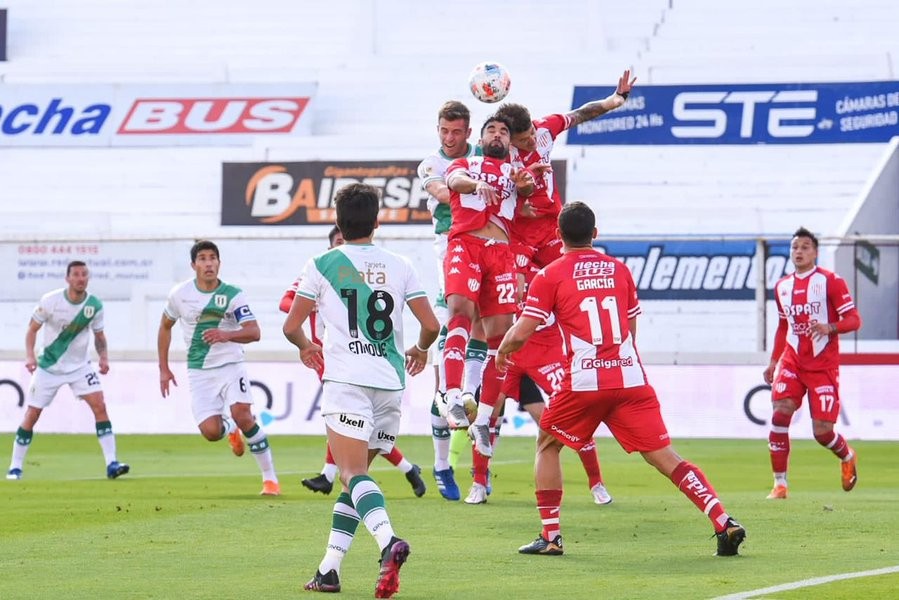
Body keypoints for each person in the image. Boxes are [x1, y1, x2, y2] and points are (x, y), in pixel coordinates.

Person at [497, 202, 746, 557]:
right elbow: (630, 330)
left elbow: (522, 332)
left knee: (548, 445)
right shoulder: (620, 271)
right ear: (595, 234)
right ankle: (723, 520)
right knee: (665, 457)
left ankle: (551, 536)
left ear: (557, 235)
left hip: (584, 381)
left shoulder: (550, 274)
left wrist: (502, 352)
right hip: (630, 377)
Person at [283, 183, 439, 598]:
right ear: (377, 221)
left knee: (351, 474)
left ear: (337, 222)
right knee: (358, 480)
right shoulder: (401, 264)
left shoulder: (322, 263)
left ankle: (389, 542)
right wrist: (421, 351)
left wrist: (306, 346)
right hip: (390, 385)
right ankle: (328, 571)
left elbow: (290, 325)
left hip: (348, 382)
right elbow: (432, 326)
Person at [279, 226, 427, 498]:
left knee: (350, 425)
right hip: (328, 353)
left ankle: (335, 475)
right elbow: (285, 302)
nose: (340, 247)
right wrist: (311, 303)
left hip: (346, 360)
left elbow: (289, 327)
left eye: (341, 241)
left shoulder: (337, 269)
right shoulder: (320, 270)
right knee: (354, 426)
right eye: (335, 243)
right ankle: (397, 469)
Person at [442, 114, 535, 468]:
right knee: (461, 312)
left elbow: (526, 195)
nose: (497, 134)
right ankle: (452, 396)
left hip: (501, 253)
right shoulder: (467, 163)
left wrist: (525, 184)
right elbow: (456, 179)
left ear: (509, 141)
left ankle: (481, 419)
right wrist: (474, 185)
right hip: (466, 244)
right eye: (491, 130)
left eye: (503, 131)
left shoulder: (515, 169)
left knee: (501, 338)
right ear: (480, 139)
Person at [158, 240, 280, 496]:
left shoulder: (233, 295)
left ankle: (270, 480)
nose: (208, 263)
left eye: (212, 257)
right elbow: (165, 327)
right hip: (199, 370)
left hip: (230, 365)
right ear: (194, 265)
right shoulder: (179, 295)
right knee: (211, 432)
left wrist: (226, 335)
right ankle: (230, 430)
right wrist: (164, 368)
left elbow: (254, 332)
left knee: (244, 415)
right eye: (202, 258)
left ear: (219, 263)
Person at [495, 68, 636, 274]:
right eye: (524, 140)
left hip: (552, 226)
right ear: (509, 139)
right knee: (519, 294)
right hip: (518, 231)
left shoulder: (545, 128)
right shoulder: (499, 155)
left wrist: (613, 101)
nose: (532, 141)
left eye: (532, 133)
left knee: (571, 279)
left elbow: (580, 114)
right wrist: (518, 202)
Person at [417, 100, 489, 501]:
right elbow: (443, 192)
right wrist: (476, 185)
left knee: (482, 322)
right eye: (444, 131)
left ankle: (464, 390)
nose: (450, 138)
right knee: (460, 313)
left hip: (486, 243)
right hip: (452, 246)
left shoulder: (482, 157)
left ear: (468, 130)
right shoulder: (431, 163)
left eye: (457, 132)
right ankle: (442, 464)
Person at [762, 227, 862, 499]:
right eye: (795, 247)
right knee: (780, 413)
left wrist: (829, 327)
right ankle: (779, 484)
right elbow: (784, 326)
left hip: (822, 366)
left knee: (822, 432)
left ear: (815, 252)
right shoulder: (782, 286)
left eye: (805, 247)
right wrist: (774, 361)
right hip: (793, 361)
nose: (799, 251)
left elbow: (854, 319)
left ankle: (847, 455)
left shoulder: (831, 281)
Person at [6, 261, 129, 481]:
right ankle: (15, 467)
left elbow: (99, 336)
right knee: (32, 415)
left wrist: (103, 358)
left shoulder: (94, 305)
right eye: (76, 275)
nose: (81, 278)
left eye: (84, 274)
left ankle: (112, 463)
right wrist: (30, 355)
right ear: (68, 278)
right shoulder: (50, 301)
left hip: (80, 367)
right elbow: (32, 329)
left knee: (99, 406)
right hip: (49, 367)